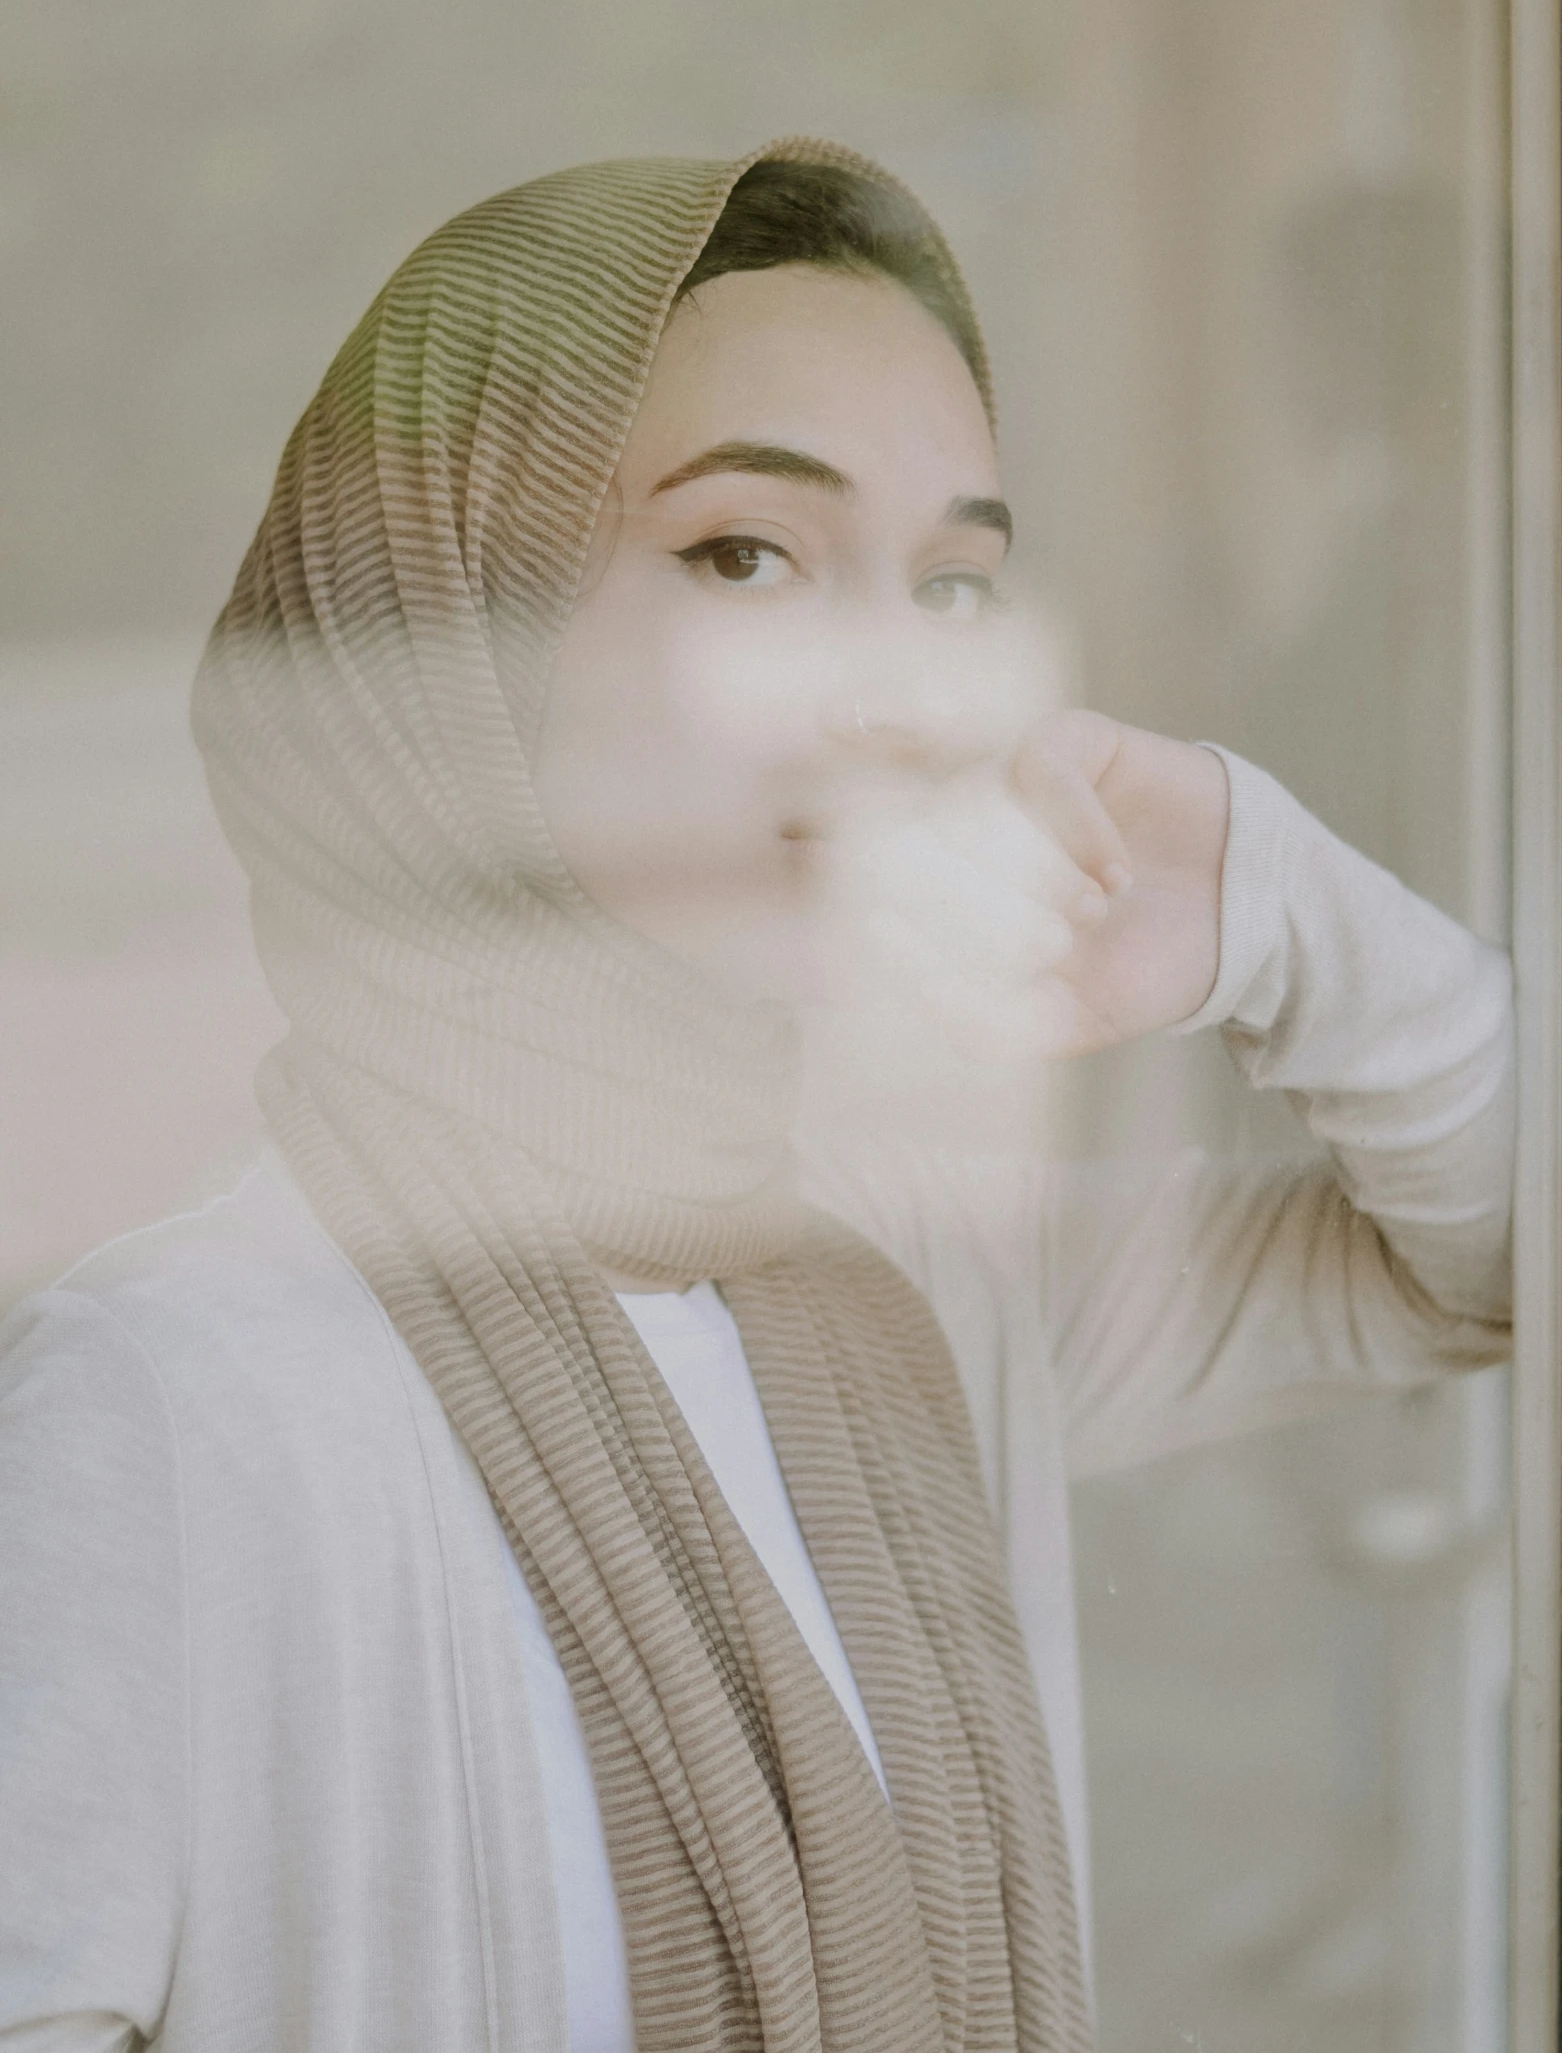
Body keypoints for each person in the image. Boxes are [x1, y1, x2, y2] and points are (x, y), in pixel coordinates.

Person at [0, 144, 1513, 2053]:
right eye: (746, 553)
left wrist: (1273, 902)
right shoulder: (167, 1394)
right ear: (452, 610)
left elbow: (1496, 1252)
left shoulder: (926, 1269)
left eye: (955, 584)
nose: (894, 686)